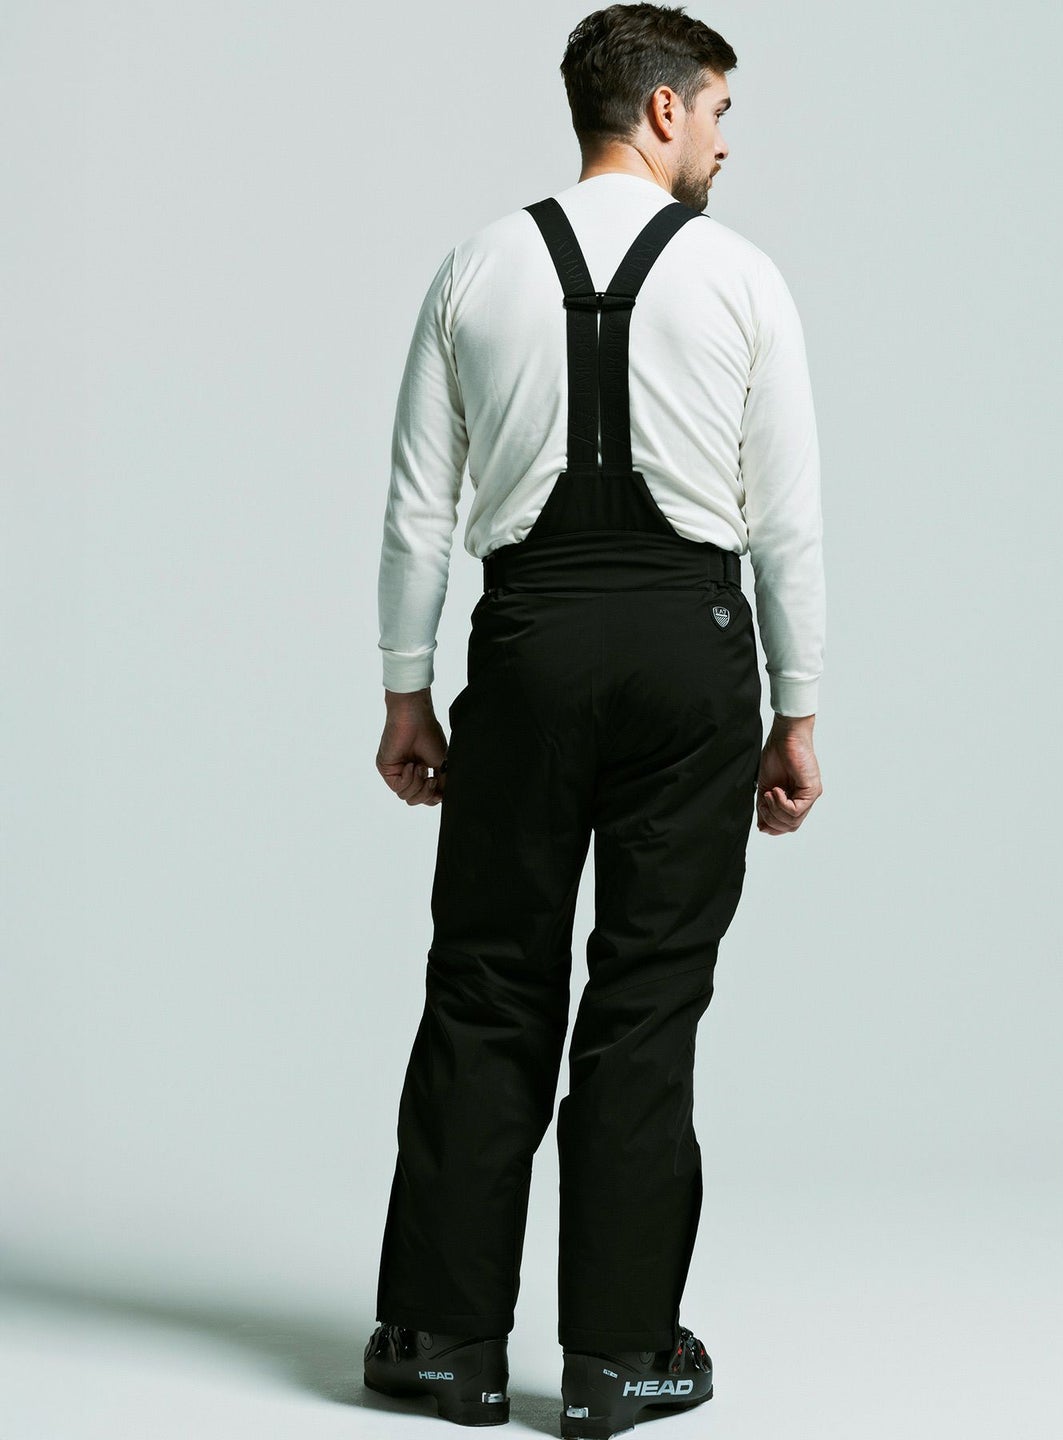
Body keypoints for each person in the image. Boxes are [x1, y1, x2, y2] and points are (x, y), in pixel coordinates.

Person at [362, 4, 824, 1433]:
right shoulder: (743, 278)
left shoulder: (474, 266)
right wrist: (798, 708)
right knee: (645, 1001)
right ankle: (622, 1357)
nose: (726, 143)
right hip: (691, 657)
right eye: (721, 112)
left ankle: (442, 1344)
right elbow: (786, 523)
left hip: (530, 650)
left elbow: (417, 507)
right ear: (665, 109)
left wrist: (406, 689)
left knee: (488, 982)